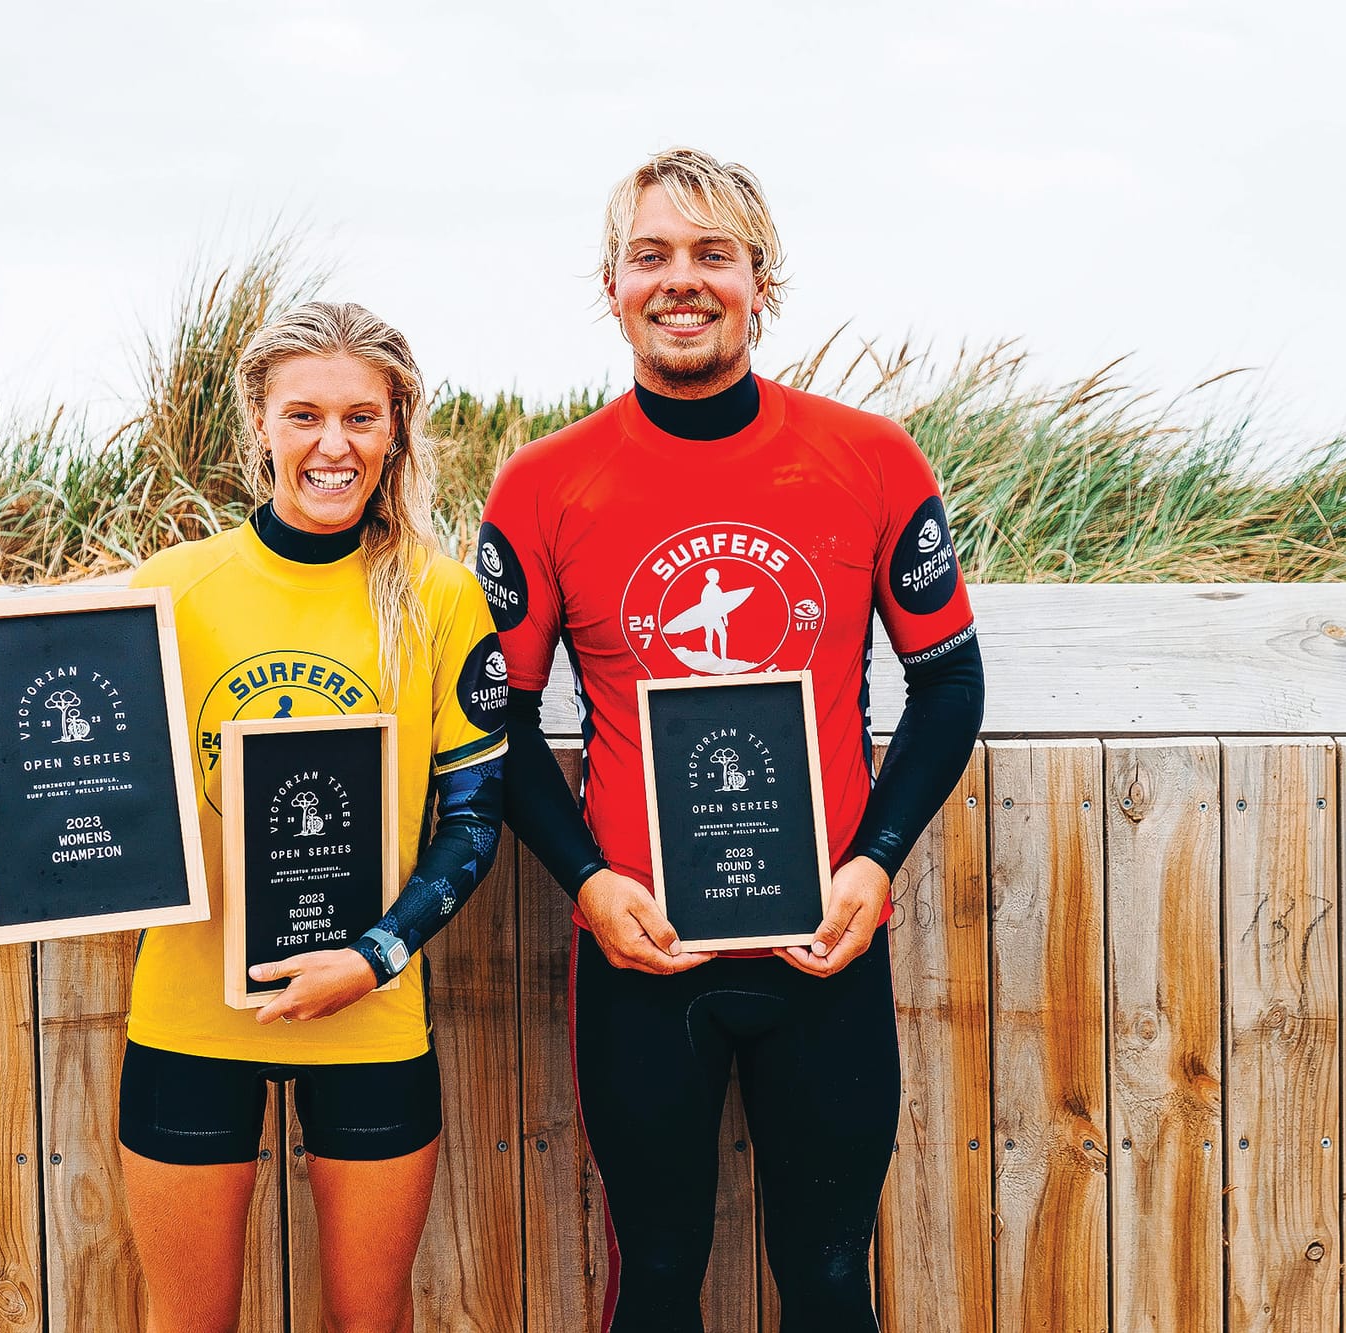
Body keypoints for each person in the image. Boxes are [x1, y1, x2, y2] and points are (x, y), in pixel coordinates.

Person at [0, 301, 508, 1333]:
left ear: (397, 429)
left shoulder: (439, 596)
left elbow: (472, 814)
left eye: (362, 417)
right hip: (190, 1016)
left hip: (367, 1013)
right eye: (304, 414)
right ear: (259, 425)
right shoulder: (172, 589)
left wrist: (372, 953)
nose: (333, 444)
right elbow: (85, 767)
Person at [478, 148, 985, 1331]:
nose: (681, 279)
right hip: (639, 957)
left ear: (762, 280)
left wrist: (875, 861)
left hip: (825, 945)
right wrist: (590, 885)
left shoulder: (869, 456)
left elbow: (947, 684)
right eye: (650, 254)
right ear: (610, 283)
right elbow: (493, 715)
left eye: (713, 253)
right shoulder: (543, 484)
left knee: (824, 1283)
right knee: (652, 1280)